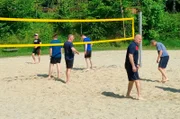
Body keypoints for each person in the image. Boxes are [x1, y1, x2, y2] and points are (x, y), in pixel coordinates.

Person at [125, 34, 143, 100]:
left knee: (131, 81)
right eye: (139, 39)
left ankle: (127, 94)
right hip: (130, 66)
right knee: (137, 80)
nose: (140, 41)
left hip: (131, 65)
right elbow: (130, 56)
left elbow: (134, 57)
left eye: (141, 40)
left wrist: (136, 64)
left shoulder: (135, 45)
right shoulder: (132, 45)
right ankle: (139, 96)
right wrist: (133, 66)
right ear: (135, 38)